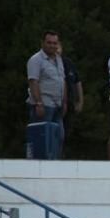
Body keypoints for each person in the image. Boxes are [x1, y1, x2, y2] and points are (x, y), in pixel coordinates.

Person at [26, 30, 66, 159]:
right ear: (43, 43)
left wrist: (64, 102)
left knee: (58, 137)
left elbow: (62, 80)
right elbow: (33, 81)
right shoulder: (36, 60)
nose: (52, 46)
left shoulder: (59, 59)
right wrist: (38, 103)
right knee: (43, 139)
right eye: (49, 43)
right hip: (44, 105)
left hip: (57, 106)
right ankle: (41, 165)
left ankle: (55, 164)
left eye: (55, 43)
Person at [57, 42, 83, 153]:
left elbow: (78, 82)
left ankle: (62, 156)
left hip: (70, 104)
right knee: (55, 133)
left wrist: (80, 101)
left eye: (58, 46)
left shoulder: (68, 63)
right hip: (55, 103)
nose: (56, 49)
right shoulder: (49, 63)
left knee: (66, 134)